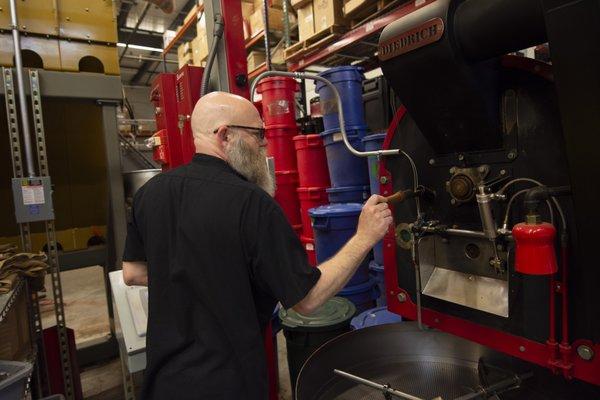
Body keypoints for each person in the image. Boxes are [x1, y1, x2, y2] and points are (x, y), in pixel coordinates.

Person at [122, 91, 392, 399]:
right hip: (229, 385)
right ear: (224, 135)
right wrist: (365, 236)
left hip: (163, 382)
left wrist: (198, 276)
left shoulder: (150, 193)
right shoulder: (253, 204)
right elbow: (308, 299)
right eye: (258, 134)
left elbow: (132, 272)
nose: (265, 144)